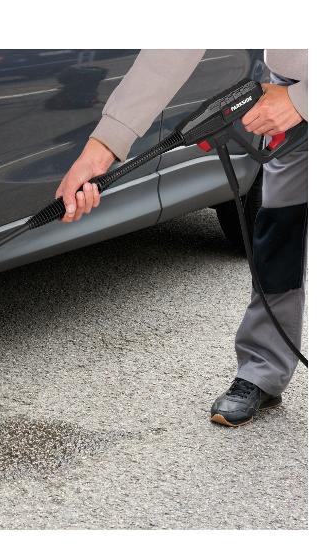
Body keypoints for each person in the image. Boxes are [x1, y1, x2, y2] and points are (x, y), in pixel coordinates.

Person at [56, 49, 307, 427]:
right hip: (288, 94)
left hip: (298, 97)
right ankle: (263, 369)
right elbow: (173, 46)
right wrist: (101, 149)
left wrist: (304, 100)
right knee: (278, 236)